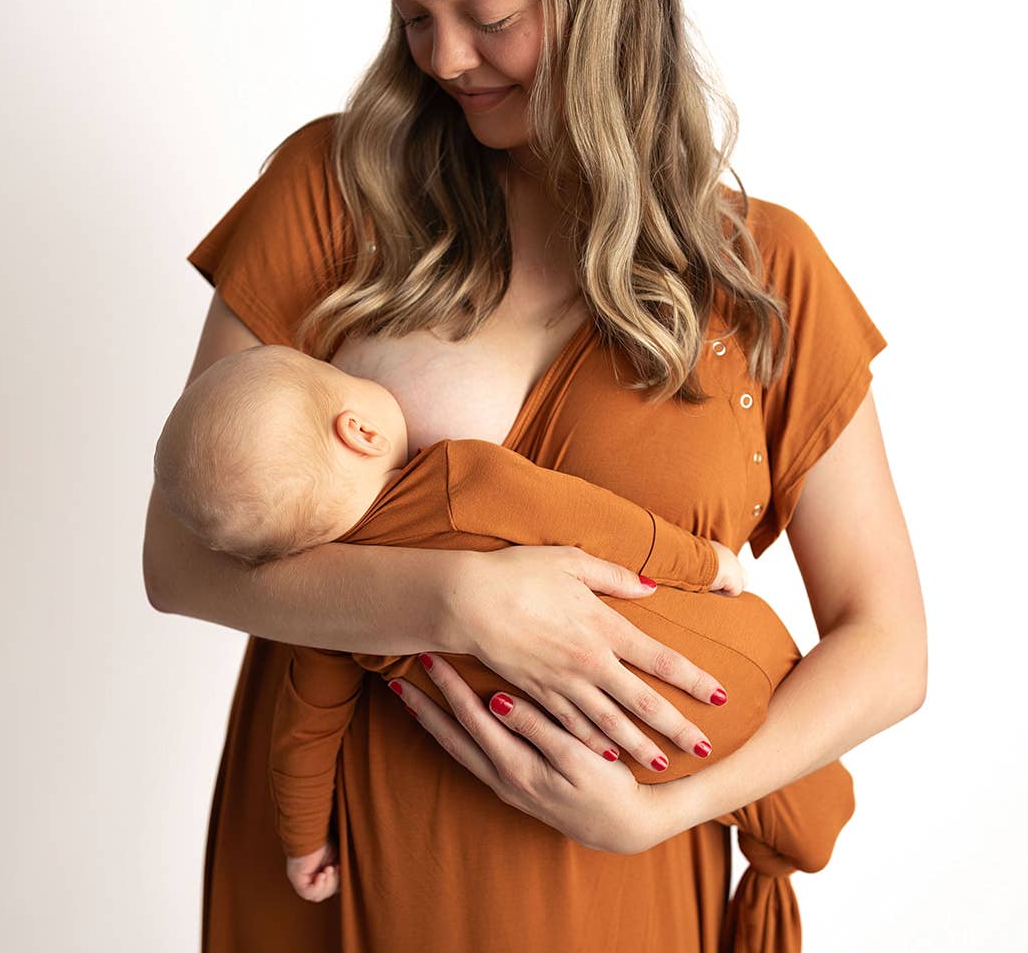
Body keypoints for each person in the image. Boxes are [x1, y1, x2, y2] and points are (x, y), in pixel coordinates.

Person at [144, 0, 926, 953]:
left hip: (600, 880)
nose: (440, 59)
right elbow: (177, 560)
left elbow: (887, 645)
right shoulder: (334, 190)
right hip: (329, 886)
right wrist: (449, 593)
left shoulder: (764, 283)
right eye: (408, 14)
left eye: (484, 14)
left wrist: (676, 810)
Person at [150, 341, 852, 921]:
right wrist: (703, 561)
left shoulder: (341, 611)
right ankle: (796, 839)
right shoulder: (458, 476)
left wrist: (303, 841)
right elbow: (596, 525)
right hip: (705, 666)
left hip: (600, 755)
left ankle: (781, 844)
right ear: (357, 430)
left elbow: (304, 730)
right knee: (779, 737)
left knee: (749, 779)